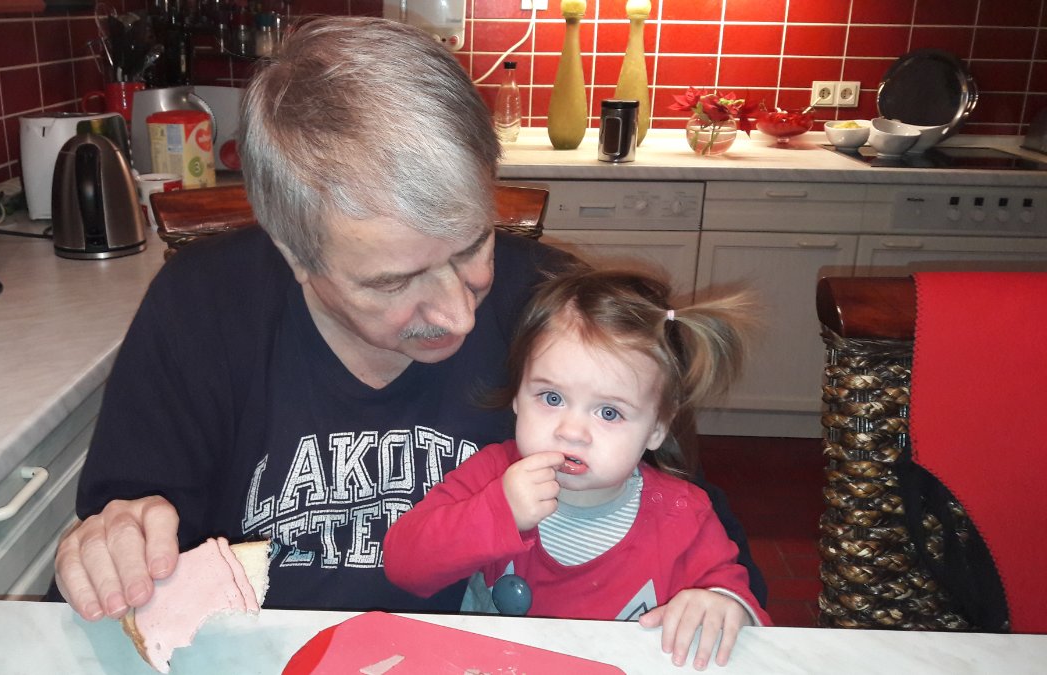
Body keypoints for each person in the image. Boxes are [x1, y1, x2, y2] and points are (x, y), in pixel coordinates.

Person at [52, 15, 764, 623]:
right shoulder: (200, 310)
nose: (458, 313)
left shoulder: (559, 309)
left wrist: (712, 600)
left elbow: (688, 522)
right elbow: (129, 525)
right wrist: (112, 544)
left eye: (473, 245)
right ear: (294, 255)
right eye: (393, 282)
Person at [384, 269, 770, 669]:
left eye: (609, 412)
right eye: (551, 397)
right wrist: (498, 512)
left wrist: (722, 606)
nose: (570, 431)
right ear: (517, 396)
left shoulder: (684, 516)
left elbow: (740, 613)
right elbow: (404, 565)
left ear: (657, 427)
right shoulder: (493, 475)